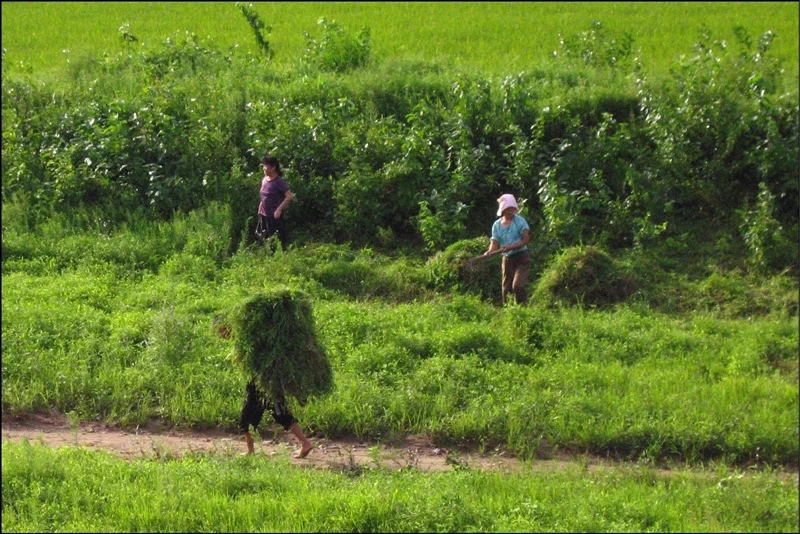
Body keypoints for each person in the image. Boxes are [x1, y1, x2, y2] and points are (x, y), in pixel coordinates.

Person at [214, 316, 314, 459]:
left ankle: (251, 451)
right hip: (267, 379)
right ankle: (304, 443)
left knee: (249, 416)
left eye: (220, 331)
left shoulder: (246, 340)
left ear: (226, 327)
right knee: (280, 413)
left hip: (263, 382)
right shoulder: (247, 338)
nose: (220, 335)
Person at [482, 193, 531, 305]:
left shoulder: (520, 221)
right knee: (506, 289)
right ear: (503, 210)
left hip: (521, 257)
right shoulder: (496, 225)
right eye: (508, 209)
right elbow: (494, 243)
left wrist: (511, 247)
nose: (510, 212)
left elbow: (526, 239)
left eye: (512, 209)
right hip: (507, 259)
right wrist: (489, 252)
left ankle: (523, 309)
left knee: (517, 286)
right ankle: (508, 312)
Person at [256, 154, 294, 251]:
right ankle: (269, 255)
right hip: (264, 214)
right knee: (263, 236)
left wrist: (279, 210)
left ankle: (281, 256)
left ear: (273, 167)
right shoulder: (265, 179)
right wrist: (261, 205)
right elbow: (264, 194)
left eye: (266, 166)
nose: (263, 168)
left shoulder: (279, 182)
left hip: (274, 215)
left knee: (277, 239)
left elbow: (289, 196)